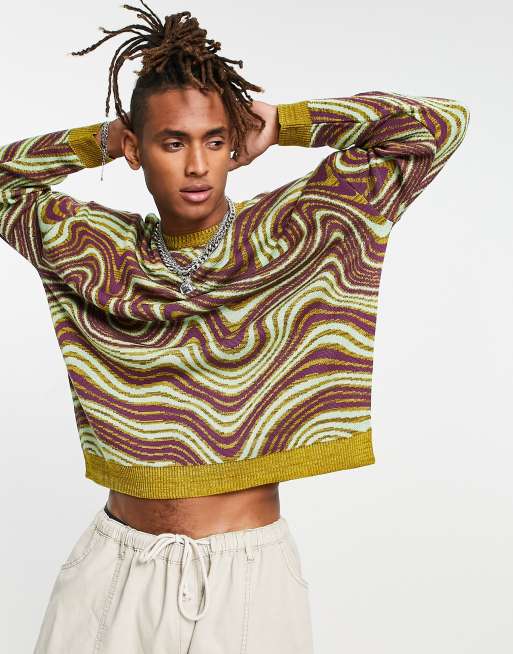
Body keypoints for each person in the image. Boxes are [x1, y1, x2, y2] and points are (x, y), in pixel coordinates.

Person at [0, 2, 470, 652]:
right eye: (172, 141)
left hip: (245, 583)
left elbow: (440, 127)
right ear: (138, 148)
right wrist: (105, 137)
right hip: (112, 573)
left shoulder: (297, 228)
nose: (197, 164)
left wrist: (284, 124)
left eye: (214, 140)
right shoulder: (97, 250)